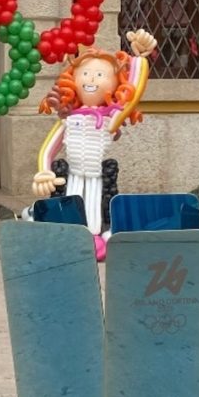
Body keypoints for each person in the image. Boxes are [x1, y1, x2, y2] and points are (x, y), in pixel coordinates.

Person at [29, 29, 157, 257]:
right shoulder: (69, 119)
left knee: (95, 212)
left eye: (100, 75)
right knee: (70, 207)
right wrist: (43, 172)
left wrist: (139, 59)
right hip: (73, 174)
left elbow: (134, 91)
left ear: (116, 84)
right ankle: (63, 236)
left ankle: (97, 238)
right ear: (73, 79)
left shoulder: (112, 118)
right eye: (85, 73)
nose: (91, 79)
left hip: (98, 176)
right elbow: (50, 147)